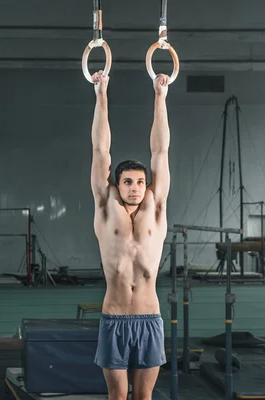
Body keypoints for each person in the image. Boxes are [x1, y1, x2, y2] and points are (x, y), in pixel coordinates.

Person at [90, 70, 171, 400]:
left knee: (143, 398)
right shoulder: (105, 206)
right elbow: (99, 149)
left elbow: (161, 152)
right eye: (128, 182)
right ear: (117, 184)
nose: (136, 188)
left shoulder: (156, 205)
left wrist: (160, 97)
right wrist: (101, 93)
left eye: (140, 182)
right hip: (115, 319)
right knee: (118, 397)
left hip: (150, 318)